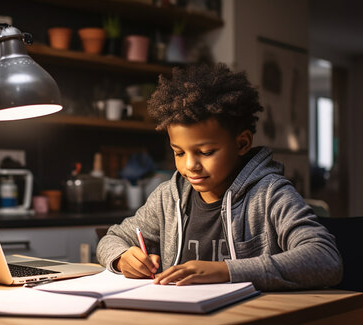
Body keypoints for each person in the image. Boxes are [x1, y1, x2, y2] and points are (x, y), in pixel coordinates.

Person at [96, 63, 342, 291]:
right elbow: (113, 238)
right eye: (179, 153)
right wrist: (121, 259)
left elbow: (325, 258)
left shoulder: (270, 194)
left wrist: (226, 271)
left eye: (206, 152)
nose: (190, 165)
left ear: (242, 143)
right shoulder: (167, 199)